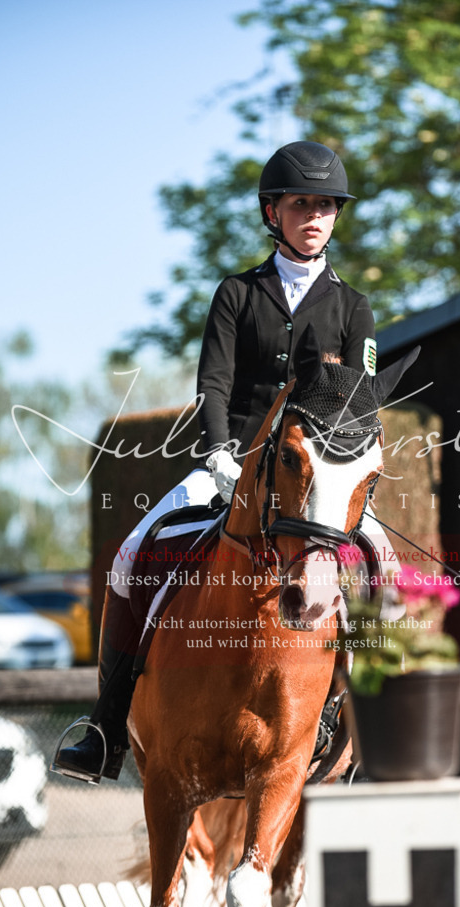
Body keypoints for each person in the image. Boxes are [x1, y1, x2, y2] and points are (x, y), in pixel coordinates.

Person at [52, 141, 380, 783]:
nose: (315, 216)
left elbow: (359, 399)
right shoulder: (237, 293)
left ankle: (368, 735)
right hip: (232, 461)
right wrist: (220, 452)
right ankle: (106, 724)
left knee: (384, 569)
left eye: (325, 207)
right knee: (132, 553)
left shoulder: (353, 307)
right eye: (301, 204)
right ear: (272, 213)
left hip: (317, 475)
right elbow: (215, 384)